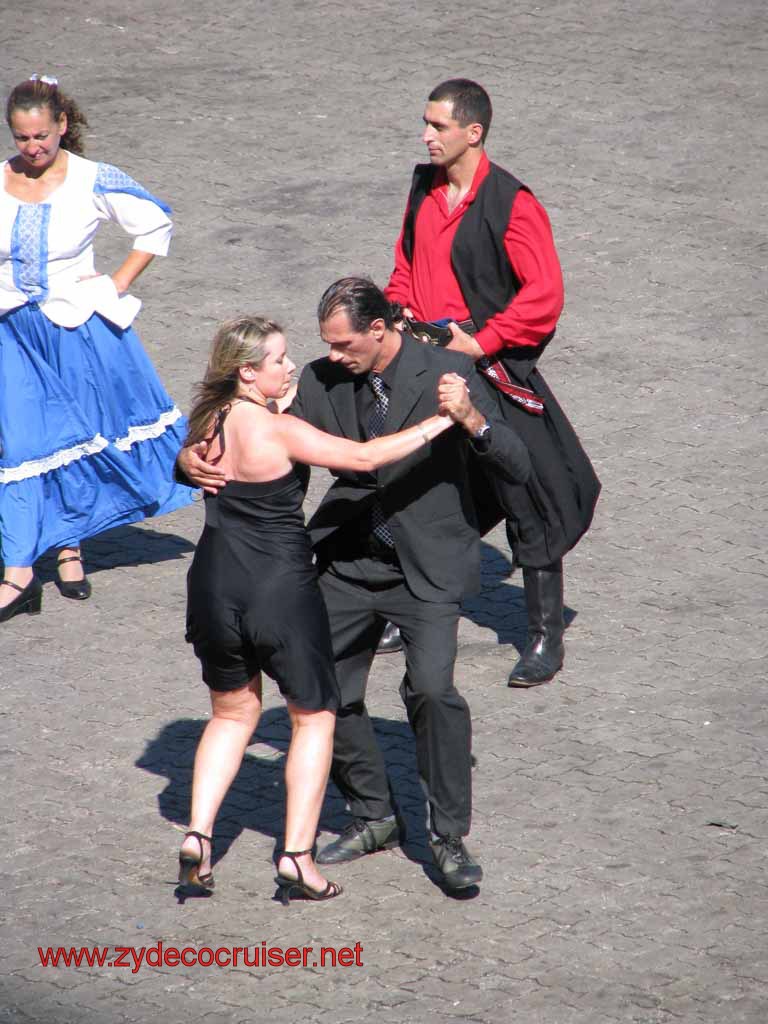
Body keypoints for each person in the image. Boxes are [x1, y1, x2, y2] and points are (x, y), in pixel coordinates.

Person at [179, 277, 532, 892]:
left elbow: (517, 464)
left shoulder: (450, 370)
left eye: (342, 344)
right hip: (345, 563)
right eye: (324, 345)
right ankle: (373, 815)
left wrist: (471, 418)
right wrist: (186, 462)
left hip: (423, 570)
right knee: (324, 695)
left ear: (378, 329)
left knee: (431, 691)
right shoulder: (320, 379)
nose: (330, 356)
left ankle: (448, 837)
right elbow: (250, 437)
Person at [384, 78, 601, 685]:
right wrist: (400, 311)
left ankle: (542, 634)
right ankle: (411, 609)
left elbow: (545, 294)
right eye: (425, 124)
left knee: (524, 490)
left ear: (472, 133)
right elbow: (405, 261)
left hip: (487, 370)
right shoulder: (424, 187)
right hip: (422, 361)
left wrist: (481, 341)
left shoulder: (513, 203)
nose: (426, 135)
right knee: (419, 485)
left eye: (438, 126)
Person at [0, 75, 194, 623]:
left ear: (62, 125)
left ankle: (68, 548)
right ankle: (18, 571)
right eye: (21, 138)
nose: (33, 148)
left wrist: (112, 285)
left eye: (41, 135)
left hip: (72, 327)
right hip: (12, 330)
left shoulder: (90, 179)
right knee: (23, 441)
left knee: (78, 435)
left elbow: (154, 225)